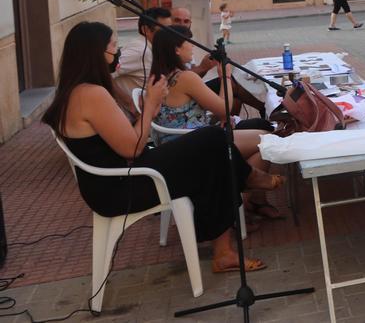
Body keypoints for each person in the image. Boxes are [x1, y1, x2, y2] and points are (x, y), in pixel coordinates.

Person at [43, 22, 280, 274]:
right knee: (211, 140)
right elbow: (132, 148)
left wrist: (149, 108)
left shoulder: (78, 92)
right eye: (113, 46)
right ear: (94, 53)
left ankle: (226, 249)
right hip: (123, 187)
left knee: (211, 151)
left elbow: (127, 139)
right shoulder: (90, 94)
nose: (118, 51)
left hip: (122, 178)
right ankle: (248, 178)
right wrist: (150, 104)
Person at [148, 26, 281, 222]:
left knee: (261, 141)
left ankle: (251, 201)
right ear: (176, 49)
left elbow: (189, 112)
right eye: (189, 43)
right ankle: (238, 203)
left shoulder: (160, 76)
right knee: (267, 140)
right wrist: (225, 76)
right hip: (194, 147)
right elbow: (224, 108)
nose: (192, 48)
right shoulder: (185, 78)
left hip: (177, 144)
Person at [112, 6, 173, 117]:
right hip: (138, 119)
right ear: (146, 30)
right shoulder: (139, 50)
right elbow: (101, 73)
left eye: (171, 29)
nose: (170, 35)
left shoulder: (154, 48)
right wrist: (129, 103)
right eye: (164, 30)